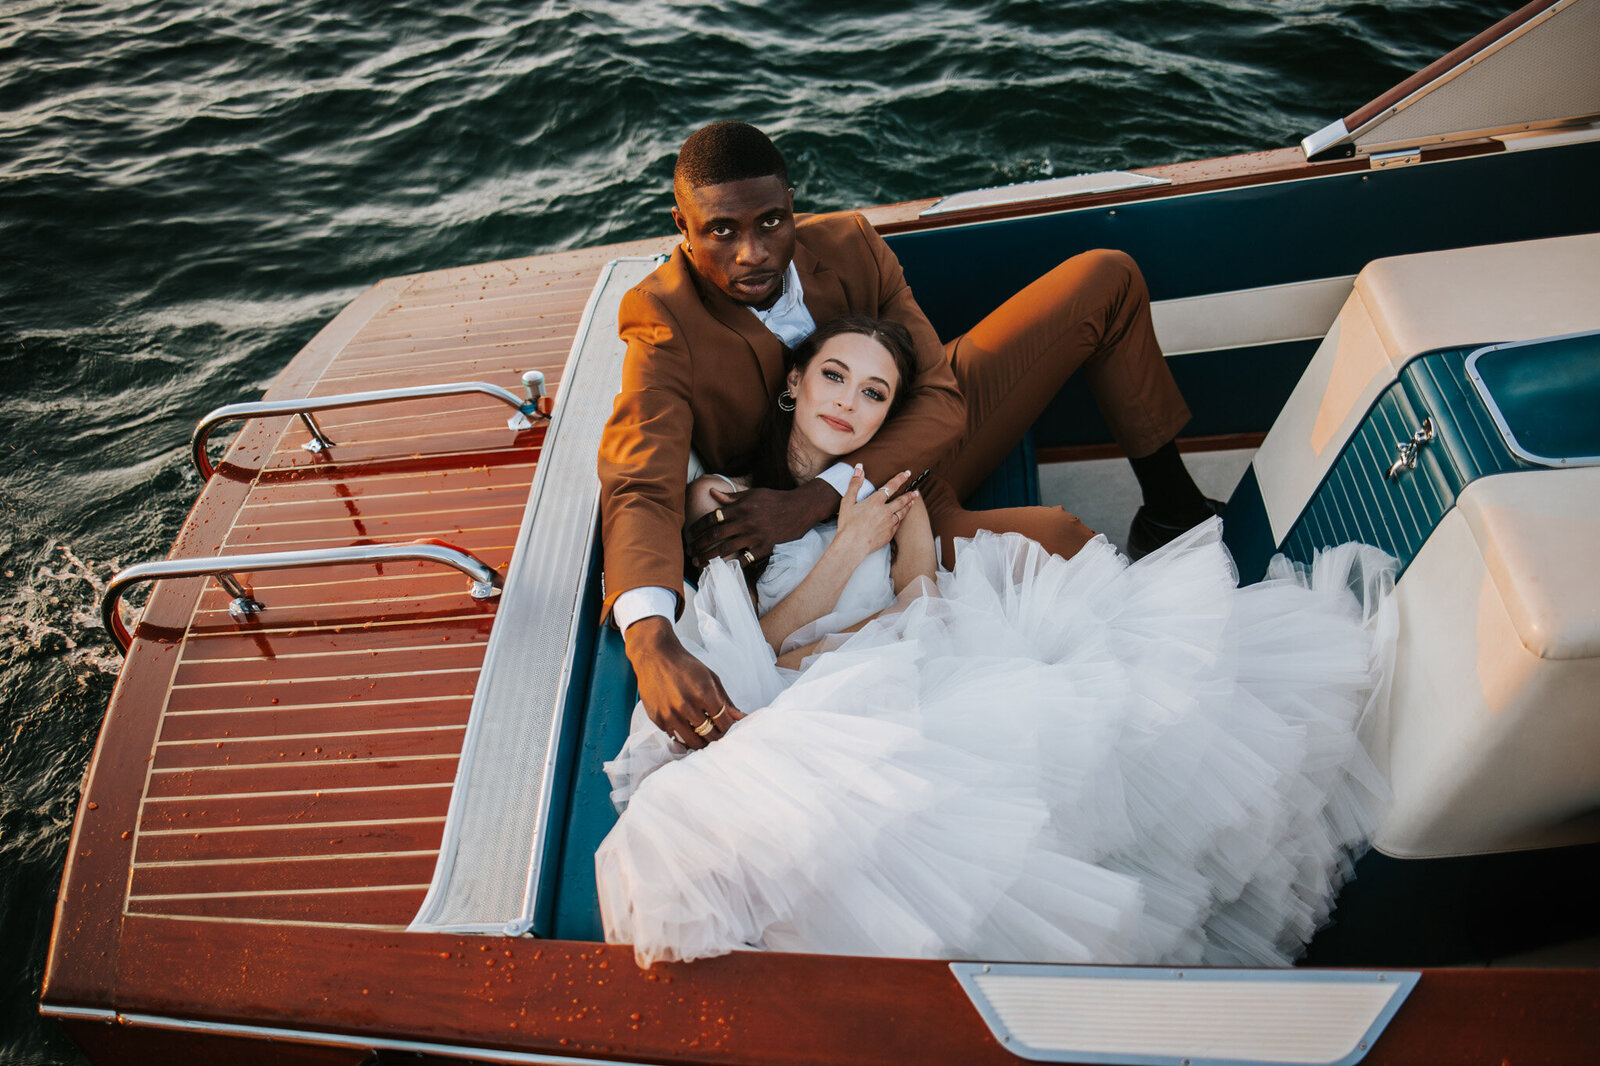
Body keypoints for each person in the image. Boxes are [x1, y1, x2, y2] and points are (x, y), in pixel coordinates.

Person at [594, 315, 1395, 968]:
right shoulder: (726, 494)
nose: (848, 403)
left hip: (899, 663)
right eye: (833, 376)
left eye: (874, 393)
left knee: (1090, 721)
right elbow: (747, 648)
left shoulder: (889, 496)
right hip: (795, 705)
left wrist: (874, 620)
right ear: (795, 383)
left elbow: (921, 600)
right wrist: (843, 555)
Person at [598, 120, 1219, 752]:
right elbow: (640, 478)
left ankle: (1173, 512)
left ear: (791, 206)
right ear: (682, 225)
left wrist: (812, 496)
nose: (753, 251)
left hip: (905, 444)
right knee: (1069, 547)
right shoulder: (660, 317)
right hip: (870, 525)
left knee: (1105, 278)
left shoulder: (852, 244)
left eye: (771, 223)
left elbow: (942, 401)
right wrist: (649, 638)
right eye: (721, 230)